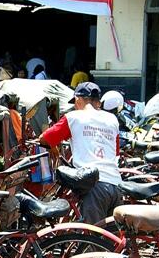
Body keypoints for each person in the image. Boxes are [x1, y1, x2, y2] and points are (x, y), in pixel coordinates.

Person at [38, 82, 122, 224]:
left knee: (92, 240)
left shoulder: (74, 117)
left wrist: (53, 147)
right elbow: (116, 151)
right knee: (112, 239)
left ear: (78, 99)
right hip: (116, 185)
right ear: (98, 102)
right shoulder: (112, 119)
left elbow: (44, 139)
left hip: (94, 187)